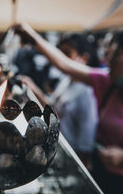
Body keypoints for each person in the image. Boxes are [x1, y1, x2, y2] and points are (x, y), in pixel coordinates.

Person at [14, 23, 123, 194]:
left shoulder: (89, 92)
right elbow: (64, 64)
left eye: (116, 54)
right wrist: (33, 37)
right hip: (101, 172)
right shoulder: (107, 82)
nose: (108, 59)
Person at [21, 34, 98, 169]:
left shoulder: (86, 93)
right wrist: (32, 87)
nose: (61, 59)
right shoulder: (67, 80)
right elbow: (53, 108)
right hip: (57, 151)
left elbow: (86, 142)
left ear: (84, 58)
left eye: (67, 53)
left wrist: (80, 170)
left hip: (71, 159)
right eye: (61, 53)